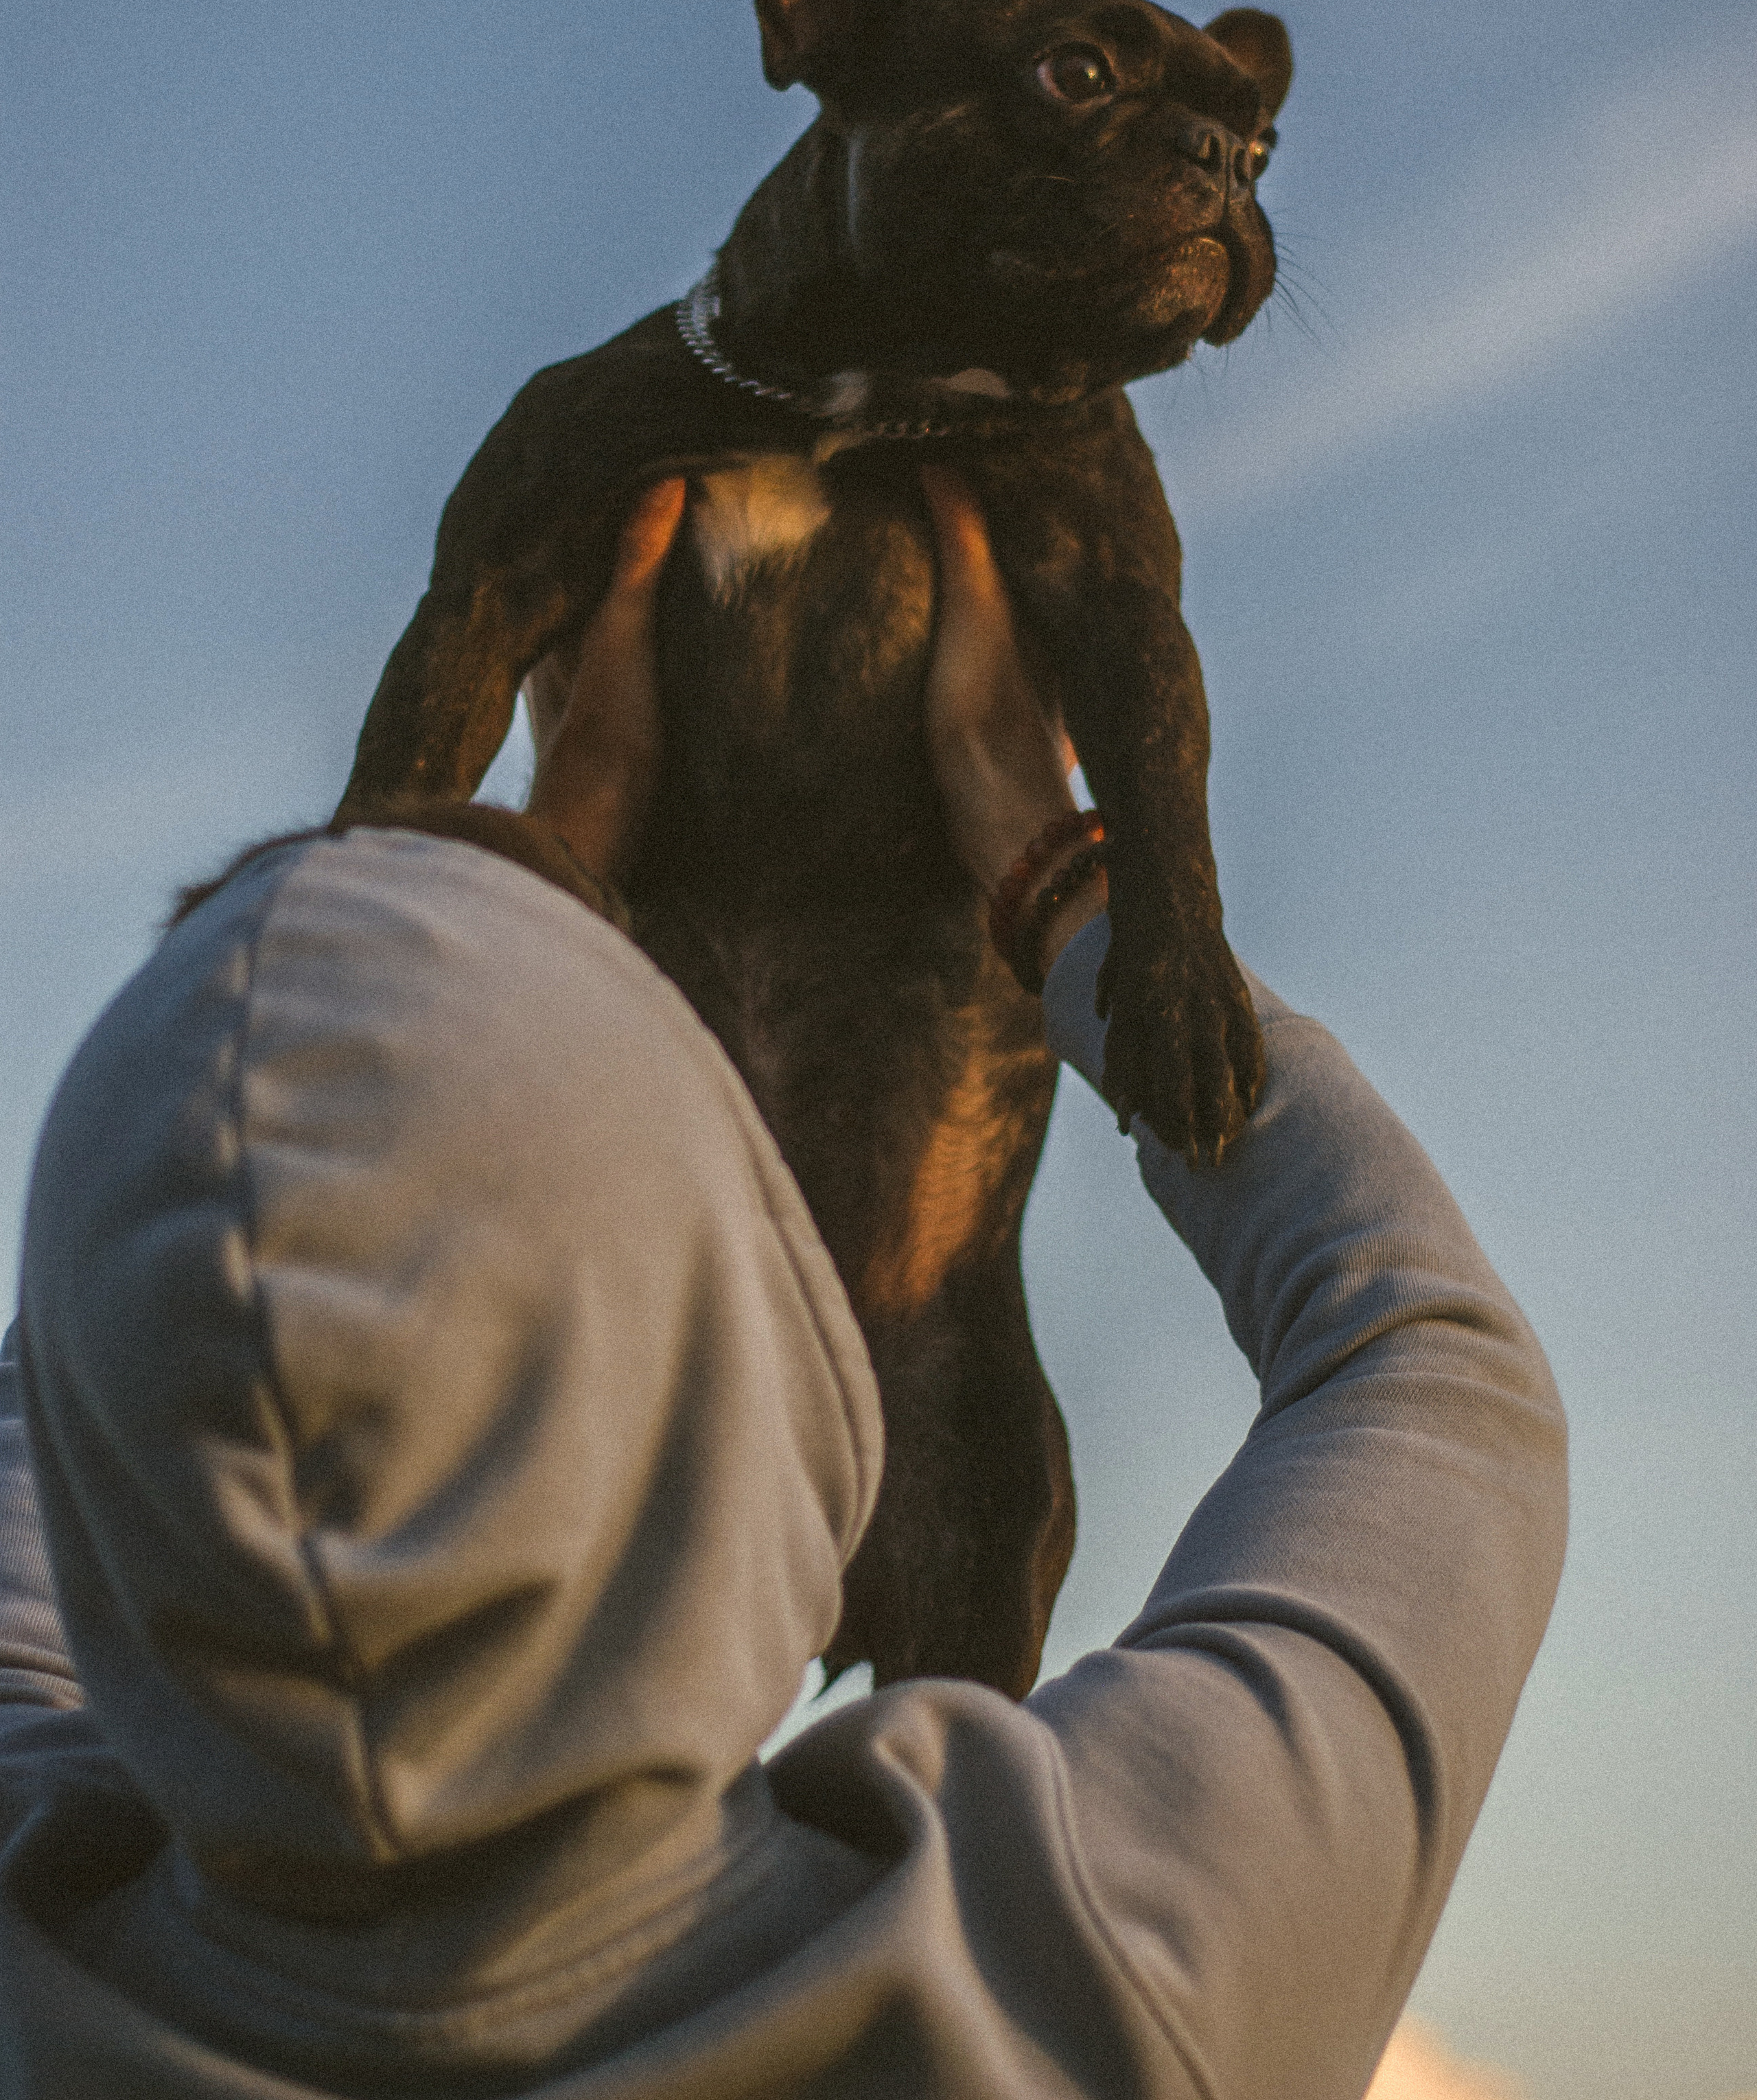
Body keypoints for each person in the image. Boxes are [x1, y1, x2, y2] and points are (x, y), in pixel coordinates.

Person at [0, 474, 1567, 2099]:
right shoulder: (1097, 1981)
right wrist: (1058, 878)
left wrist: (487, 897)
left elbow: (186, 1273)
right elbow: (1429, 1361)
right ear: (763, 1349)